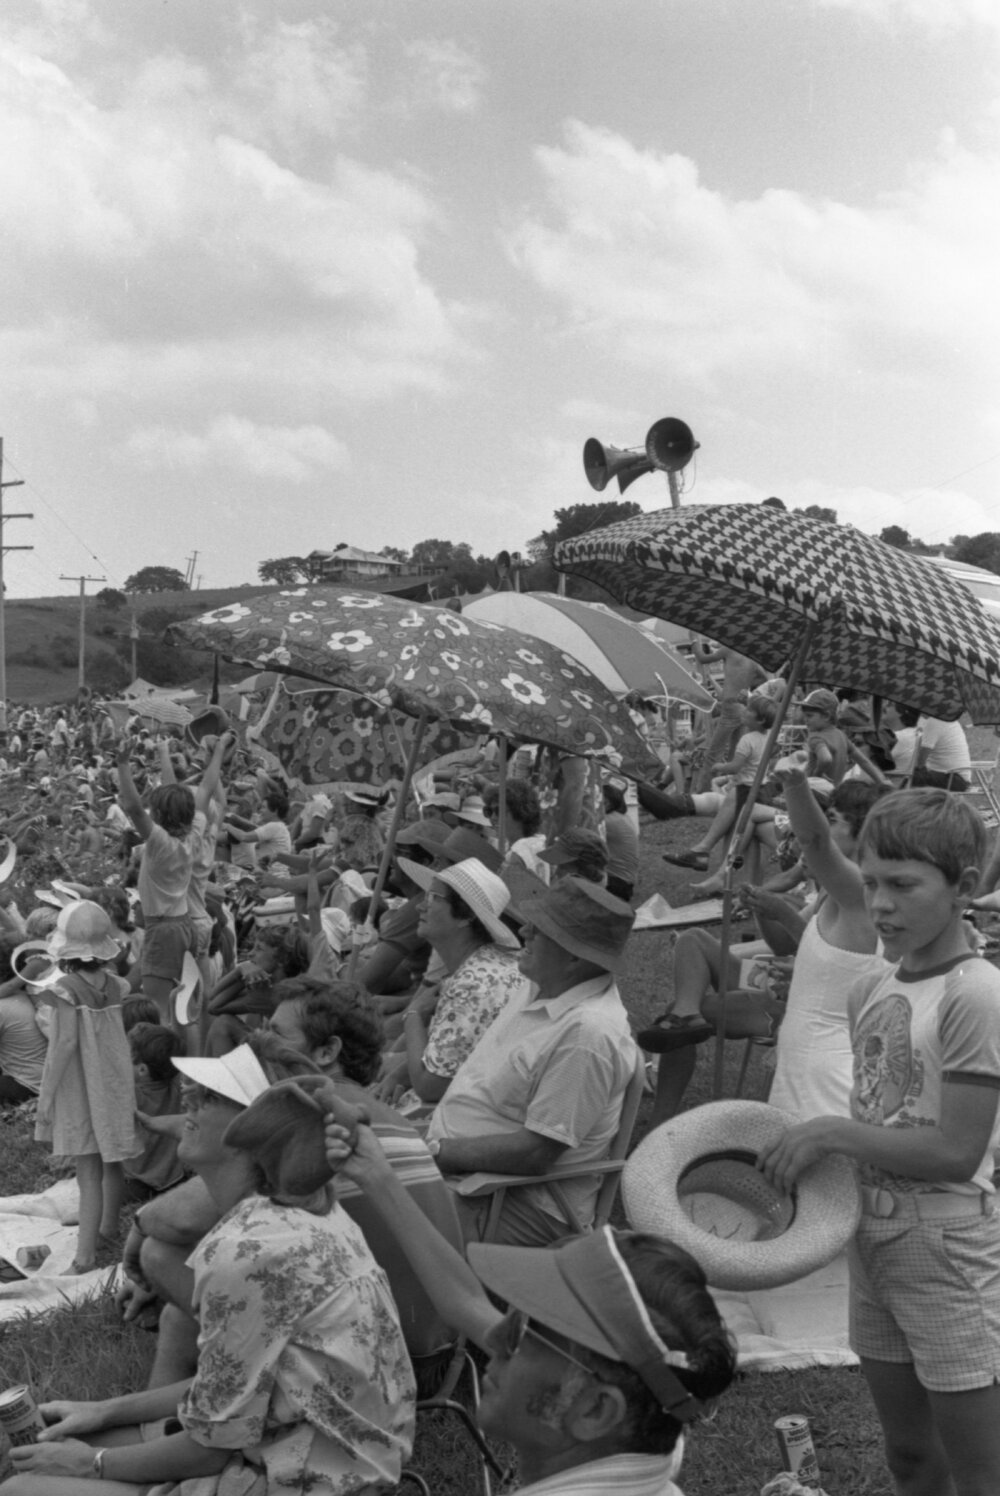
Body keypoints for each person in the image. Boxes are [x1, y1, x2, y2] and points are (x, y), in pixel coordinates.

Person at [7, 1042, 415, 1494]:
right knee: (38, 1448)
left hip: (310, 1478)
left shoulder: (248, 1250)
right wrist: (104, 1410)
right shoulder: (304, 1212)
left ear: (259, 1131)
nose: (188, 1102)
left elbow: (210, 1448)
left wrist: (93, 1464)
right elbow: (231, 1390)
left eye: (210, 1097)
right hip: (328, 1450)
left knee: (23, 1486)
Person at [758, 789, 1000, 1496]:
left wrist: (831, 1131)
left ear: (964, 890)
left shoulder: (975, 995)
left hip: (948, 1248)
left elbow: (957, 1152)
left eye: (903, 885)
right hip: (873, 1238)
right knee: (911, 1458)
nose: (883, 904)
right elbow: (885, 1114)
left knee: (980, 1474)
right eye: (871, 884)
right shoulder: (875, 986)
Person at [324, 1117, 737, 1496]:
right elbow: (465, 1299)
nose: (498, 1333)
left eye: (527, 1333)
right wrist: (375, 1172)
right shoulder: (649, 1434)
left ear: (595, 1409)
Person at [425, 876, 639, 1245]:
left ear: (574, 956)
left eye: (539, 930)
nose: (523, 930)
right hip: (469, 1177)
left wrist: (434, 1153)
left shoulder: (587, 1035)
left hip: (516, 1201)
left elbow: (534, 1154)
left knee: (368, 1211)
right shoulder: (540, 984)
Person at [34, 901, 140, 1273]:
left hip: (81, 1084)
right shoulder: (116, 984)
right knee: (111, 1157)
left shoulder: (65, 989)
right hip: (113, 1080)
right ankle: (108, 1227)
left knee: (88, 1170)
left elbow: (64, 1045)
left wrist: (46, 1096)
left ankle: (85, 1255)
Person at [378, 857, 526, 1111]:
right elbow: (446, 1054)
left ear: (465, 916)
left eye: (434, 897)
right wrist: (397, 1074)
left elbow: (429, 1085)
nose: (420, 908)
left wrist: (413, 1016)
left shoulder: (474, 982)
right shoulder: (483, 964)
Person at [601, 782, 640, 903]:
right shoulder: (621, 817)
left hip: (616, 885)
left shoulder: (608, 822)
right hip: (625, 884)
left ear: (609, 803)